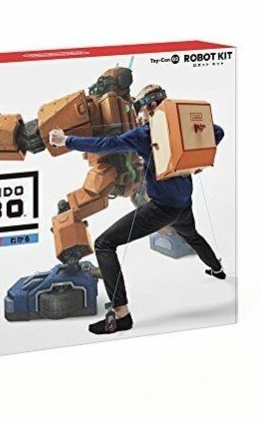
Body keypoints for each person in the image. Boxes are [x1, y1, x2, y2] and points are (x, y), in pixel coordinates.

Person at [49, 84, 226, 335]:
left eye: (139, 110)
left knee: (104, 244)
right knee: (192, 235)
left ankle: (121, 315)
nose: (139, 116)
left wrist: (66, 140)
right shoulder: (181, 126)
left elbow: (106, 143)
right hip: (184, 203)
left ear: (149, 108)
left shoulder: (145, 133)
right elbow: (218, 132)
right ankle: (218, 269)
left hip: (162, 209)